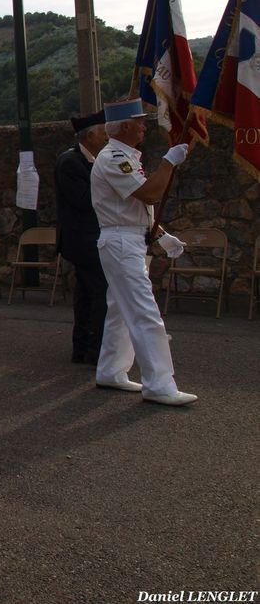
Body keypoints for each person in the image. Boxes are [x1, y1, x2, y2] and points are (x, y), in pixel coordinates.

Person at [90, 98, 197, 406]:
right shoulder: (114, 158)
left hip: (128, 239)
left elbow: (134, 207)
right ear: (124, 126)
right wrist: (168, 162)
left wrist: (161, 234)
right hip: (122, 242)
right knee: (144, 313)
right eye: (139, 122)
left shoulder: (124, 156)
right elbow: (149, 192)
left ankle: (111, 370)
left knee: (121, 311)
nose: (143, 127)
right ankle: (159, 383)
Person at [55, 111, 109, 365]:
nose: (106, 137)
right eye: (103, 133)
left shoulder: (91, 161)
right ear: (90, 136)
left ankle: (84, 346)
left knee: (88, 293)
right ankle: (95, 348)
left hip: (90, 238)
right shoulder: (70, 162)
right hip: (83, 241)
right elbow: (84, 201)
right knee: (99, 292)